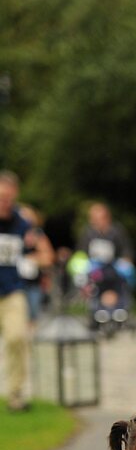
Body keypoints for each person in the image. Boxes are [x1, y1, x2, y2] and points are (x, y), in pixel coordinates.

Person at [0, 171, 52, 410]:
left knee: (17, 338)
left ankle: (16, 395)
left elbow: (46, 254)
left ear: (15, 196)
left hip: (12, 291)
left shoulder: (23, 224)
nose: (4, 202)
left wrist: (31, 260)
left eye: (8, 197)